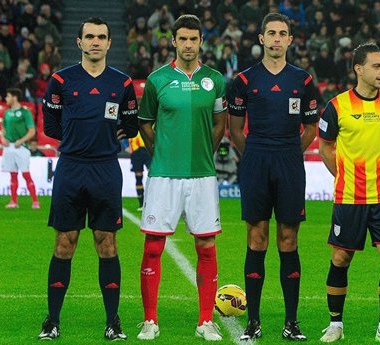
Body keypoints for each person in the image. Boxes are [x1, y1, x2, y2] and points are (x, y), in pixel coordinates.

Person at [38, 17, 139, 341]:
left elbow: (131, 126)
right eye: (90, 37)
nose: (96, 42)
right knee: (64, 243)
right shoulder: (60, 80)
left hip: (106, 169)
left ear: (109, 43)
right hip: (71, 168)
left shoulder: (122, 84)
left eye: (102, 37)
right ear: (79, 42)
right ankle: (52, 321)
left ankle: (113, 322)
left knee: (106, 243)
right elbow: (50, 126)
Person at [227, 12, 320, 341]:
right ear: (262, 39)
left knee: (288, 240)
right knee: (257, 239)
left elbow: (311, 127)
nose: (277, 38)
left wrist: (292, 152)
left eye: (283, 33)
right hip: (257, 161)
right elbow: (234, 128)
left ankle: (291, 322)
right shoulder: (244, 80)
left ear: (290, 40)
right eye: (272, 33)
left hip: (289, 162)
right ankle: (253, 322)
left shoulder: (303, 80)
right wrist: (251, 154)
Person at [136, 14, 227, 341]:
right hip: (164, 176)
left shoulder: (215, 80)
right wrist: (159, 150)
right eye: (183, 39)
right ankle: (150, 321)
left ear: (201, 41)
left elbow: (221, 124)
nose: (188, 45)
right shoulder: (158, 80)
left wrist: (208, 150)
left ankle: (205, 321)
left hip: (202, 175)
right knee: (153, 247)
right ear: (173, 41)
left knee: (206, 246)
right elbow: (145, 122)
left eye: (194, 39)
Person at [316, 42, 380, 344]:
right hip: (349, 197)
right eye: (376, 66)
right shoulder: (337, 106)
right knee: (341, 257)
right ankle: (336, 324)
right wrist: (345, 176)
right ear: (359, 69)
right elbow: (325, 147)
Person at [0, 88, 40, 209]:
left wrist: (21, 141)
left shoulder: (25, 112)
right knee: (12, 175)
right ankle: (13, 201)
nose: (6, 99)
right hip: (9, 147)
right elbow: (3, 128)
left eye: (8, 96)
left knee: (26, 174)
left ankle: (35, 201)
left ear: (14, 97)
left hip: (21, 147)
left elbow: (32, 131)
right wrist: (2, 138)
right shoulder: (6, 113)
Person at [126, 132, 152, 210]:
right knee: (138, 176)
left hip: (147, 148)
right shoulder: (132, 120)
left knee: (153, 176)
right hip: (136, 150)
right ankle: (141, 204)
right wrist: (126, 146)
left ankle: (153, 202)